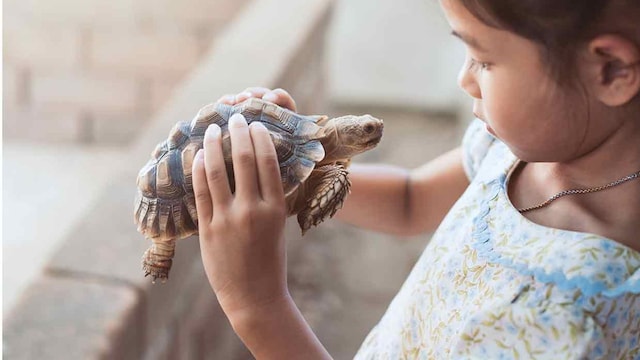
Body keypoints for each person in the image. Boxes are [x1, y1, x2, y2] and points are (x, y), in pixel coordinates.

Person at [190, 0, 640, 358]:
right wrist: (297, 171)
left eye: (483, 59)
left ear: (612, 70)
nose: (464, 78)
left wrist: (257, 307)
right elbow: (411, 199)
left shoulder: (563, 321)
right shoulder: (518, 151)